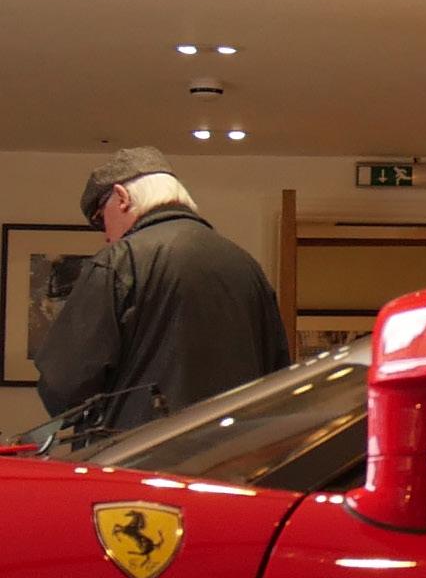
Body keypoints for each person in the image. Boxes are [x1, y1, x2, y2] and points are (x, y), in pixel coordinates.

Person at [35, 150, 290, 431]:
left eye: (100, 218)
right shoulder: (246, 266)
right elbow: (276, 378)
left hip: (144, 448)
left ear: (122, 198)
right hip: (233, 448)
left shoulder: (121, 261)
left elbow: (63, 386)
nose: (106, 235)